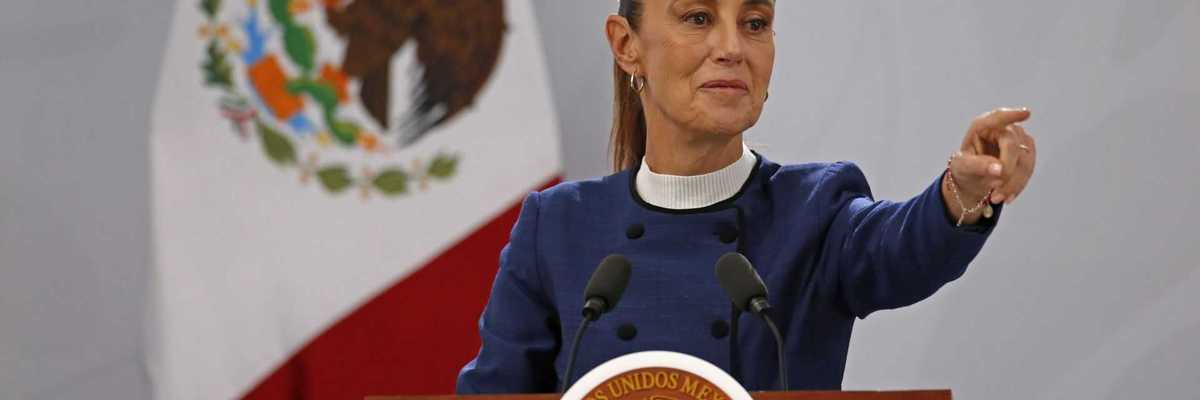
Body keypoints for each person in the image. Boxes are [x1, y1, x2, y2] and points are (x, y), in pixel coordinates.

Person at [457, 0, 1037, 393]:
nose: (732, 47)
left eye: (755, 22)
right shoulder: (556, 227)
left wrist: (961, 192)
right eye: (698, 17)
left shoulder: (817, 209)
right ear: (626, 44)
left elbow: (905, 246)